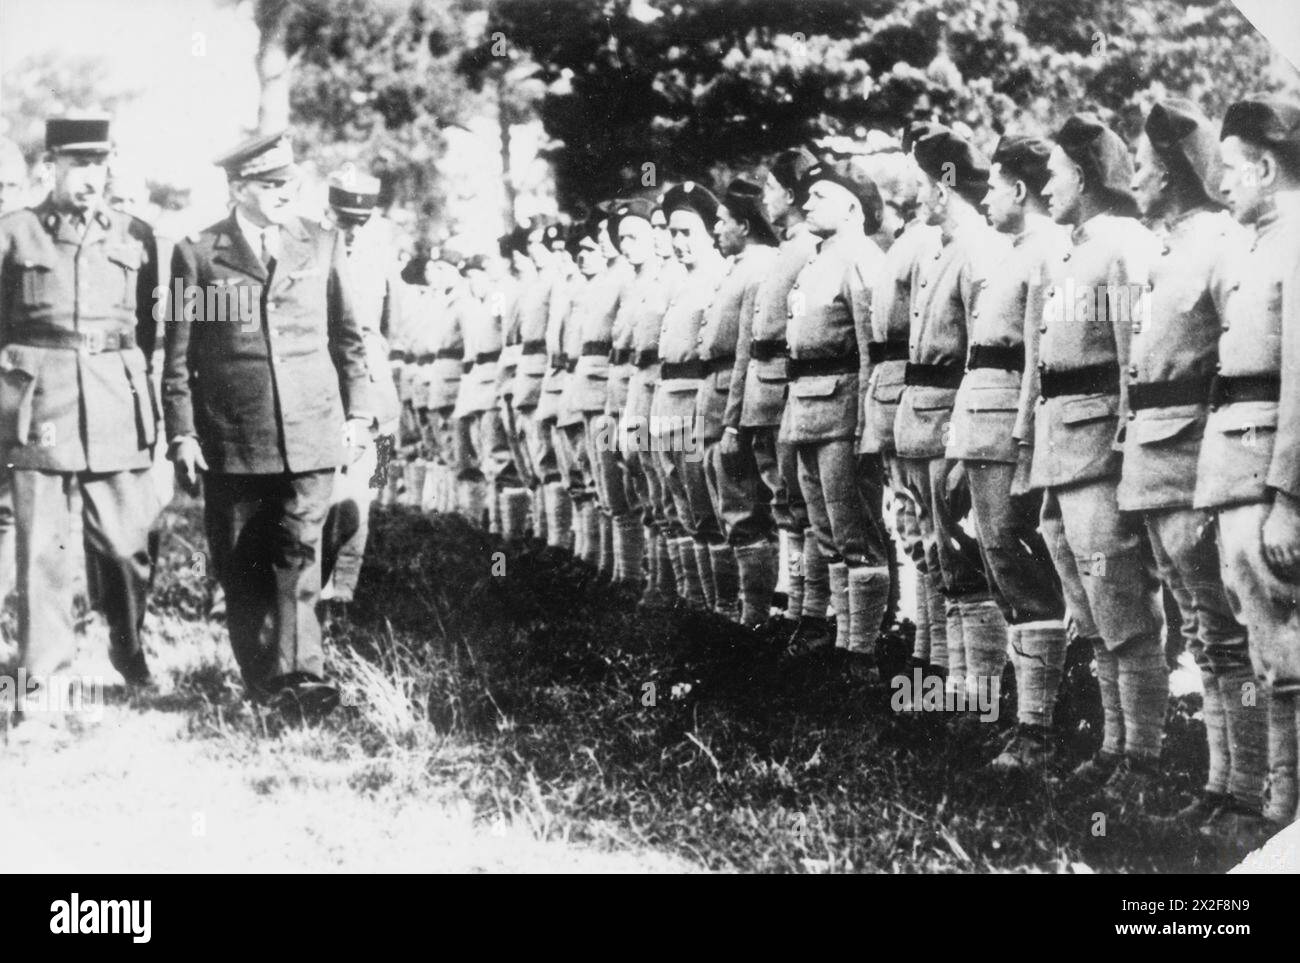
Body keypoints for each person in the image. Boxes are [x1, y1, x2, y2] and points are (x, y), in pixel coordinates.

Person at [164, 131, 371, 718]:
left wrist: (359, 415)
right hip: (231, 436)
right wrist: (182, 432)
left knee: (299, 550)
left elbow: (349, 339)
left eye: (290, 183)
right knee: (240, 562)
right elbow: (176, 356)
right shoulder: (197, 252)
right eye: (270, 184)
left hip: (310, 429)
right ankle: (263, 683)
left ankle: (302, 680)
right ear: (237, 188)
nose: (285, 193)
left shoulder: (322, 242)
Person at [0, 115, 160, 693]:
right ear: (53, 167)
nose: (92, 176)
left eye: (100, 163)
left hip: (117, 397)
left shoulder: (136, 234)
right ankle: (41, 682)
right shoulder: (16, 232)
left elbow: (147, 324)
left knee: (125, 546)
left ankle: (128, 643)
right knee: (42, 548)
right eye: (80, 165)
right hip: (38, 401)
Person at [1034, 114, 1166, 810]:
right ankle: (1113, 743)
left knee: (1122, 605)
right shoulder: (1073, 249)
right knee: (1089, 607)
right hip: (1063, 448)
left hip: (1100, 451)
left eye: (1053, 172)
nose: (1044, 186)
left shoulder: (1120, 248)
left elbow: (1130, 359)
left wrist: (1125, 444)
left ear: (1083, 177)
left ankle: (1142, 757)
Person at [1194, 96, 1300, 835]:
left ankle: (1283, 812)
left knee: (1283, 640)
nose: (1221, 183)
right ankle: (1268, 800)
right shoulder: (1258, 244)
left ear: (1265, 167)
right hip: (1237, 460)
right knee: (1260, 632)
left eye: (1232, 169)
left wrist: (1288, 496)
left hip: (1270, 469)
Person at [948, 135, 1068, 766]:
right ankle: (1024, 715)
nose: (986, 198)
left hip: (1008, 432)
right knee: (999, 562)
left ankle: (1040, 729)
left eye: (993, 187)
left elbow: (1034, 366)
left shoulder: (1047, 254)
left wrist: (1023, 444)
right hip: (980, 425)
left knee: (1019, 565)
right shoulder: (1010, 253)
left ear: (1020, 191)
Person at [783, 161, 891, 676]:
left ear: (852, 207)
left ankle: (862, 655)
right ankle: (842, 642)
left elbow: (873, 350)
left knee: (855, 532)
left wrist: (869, 422)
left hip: (844, 407)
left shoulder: (861, 259)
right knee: (825, 531)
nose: (805, 205)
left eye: (818, 196)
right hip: (805, 406)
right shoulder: (813, 264)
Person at [860, 126, 943, 674]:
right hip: (895, 397)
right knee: (911, 526)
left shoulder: (928, 242)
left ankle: (941, 661)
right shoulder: (902, 244)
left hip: (920, 397)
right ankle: (923, 646)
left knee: (937, 536)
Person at [318, 168, 404, 612]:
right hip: (325, 395)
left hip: (377, 399)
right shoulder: (306, 257)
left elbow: (391, 330)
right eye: (342, 219)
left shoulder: (378, 264)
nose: (350, 231)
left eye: (359, 222)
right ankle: (313, 584)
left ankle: (344, 591)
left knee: (365, 491)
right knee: (322, 496)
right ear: (326, 212)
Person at [651, 182, 729, 608]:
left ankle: (726, 608)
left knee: (710, 507)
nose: (678, 243)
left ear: (710, 232)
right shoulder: (678, 282)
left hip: (699, 401)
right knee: (683, 504)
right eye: (673, 234)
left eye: (687, 233)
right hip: (668, 401)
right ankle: (693, 599)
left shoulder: (719, 277)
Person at [708, 178, 778, 624]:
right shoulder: (740, 267)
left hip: (737, 398)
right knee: (729, 508)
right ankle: (742, 611)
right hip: (716, 394)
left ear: (745, 225)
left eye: (722, 221)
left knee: (745, 509)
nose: (716, 230)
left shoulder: (758, 269)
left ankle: (755, 617)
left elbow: (745, 353)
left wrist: (733, 421)